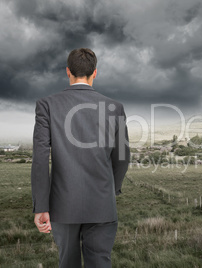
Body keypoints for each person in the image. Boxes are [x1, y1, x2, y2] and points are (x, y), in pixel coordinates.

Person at [31, 48, 130, 267]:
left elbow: (40, 158)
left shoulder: (46, 105)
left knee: (67, 263)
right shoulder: (116, 108)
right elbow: (122, 157)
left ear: (68, 72)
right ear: (95, 73)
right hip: (102, 204)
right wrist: (110, 190)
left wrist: (41, 206)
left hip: (62, 205)